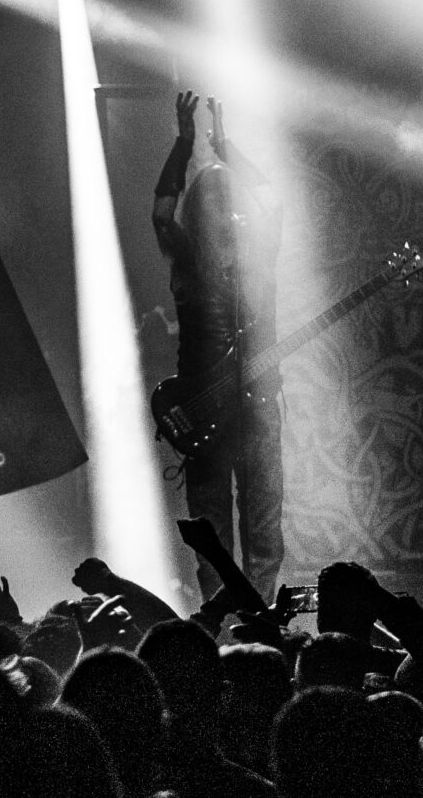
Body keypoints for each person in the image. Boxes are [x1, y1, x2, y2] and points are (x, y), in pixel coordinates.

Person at [152, 90, 287, 600]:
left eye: (229, 200)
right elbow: (161, 215)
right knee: (211, 532)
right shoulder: (187, 262)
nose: (226, 210)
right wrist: (184, 147)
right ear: (198, 210)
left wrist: (227, 151)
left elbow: (273, 201)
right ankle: (216, 622)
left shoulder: (259, 259)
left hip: (258, 405)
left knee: (264, 527)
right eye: (213, 200)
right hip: (204, 409)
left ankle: (263, 616)